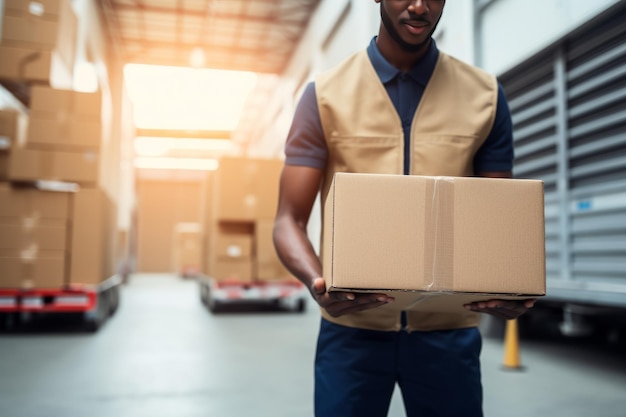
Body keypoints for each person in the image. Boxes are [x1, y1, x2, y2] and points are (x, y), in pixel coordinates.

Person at [273, 1, 536, 416]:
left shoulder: (484, 96)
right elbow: (288, 220)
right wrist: (317, 282)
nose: (418, 6)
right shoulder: (324, 95)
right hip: (352, 335)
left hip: (447, 335)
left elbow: (494, 226)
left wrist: (507, 288)